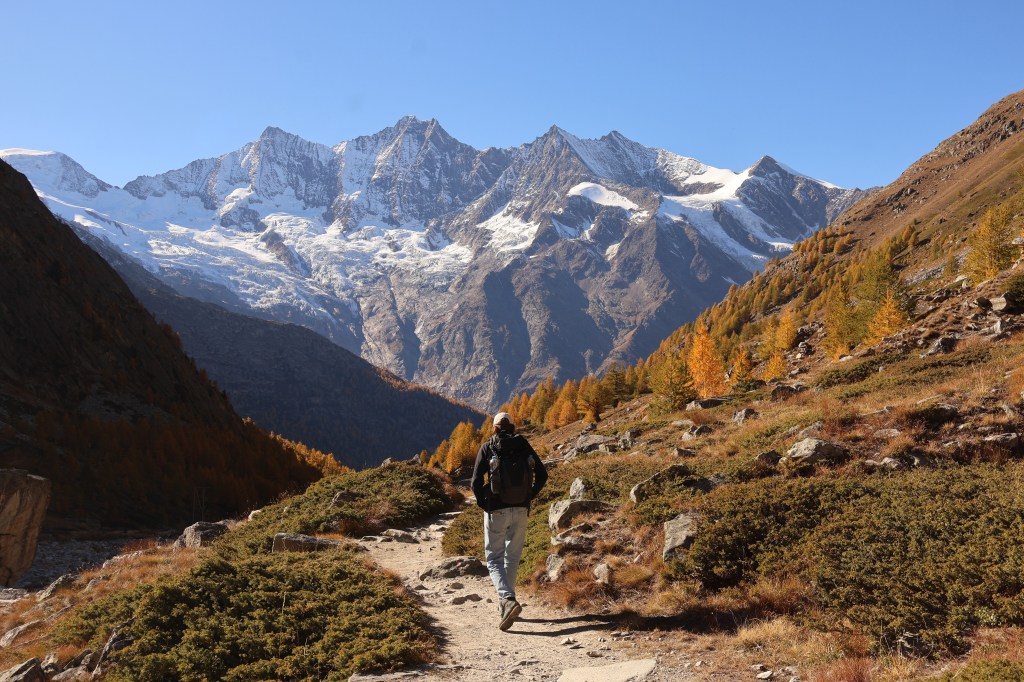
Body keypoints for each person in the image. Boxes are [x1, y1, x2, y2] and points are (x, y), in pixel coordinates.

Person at [471, 411, 548, 631]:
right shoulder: (523, 445)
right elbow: (542, 475)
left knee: (494, 559)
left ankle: (507, 599)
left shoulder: (488, 447)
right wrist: (528, 497)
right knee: (512, 558)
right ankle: (507, 604)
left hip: (496, 509)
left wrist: (484, 504)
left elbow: (475, 482)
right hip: (521, 509)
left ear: (494, 428)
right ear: (513, 426)